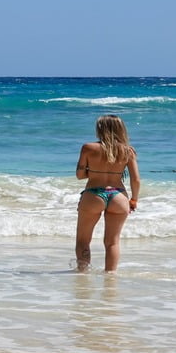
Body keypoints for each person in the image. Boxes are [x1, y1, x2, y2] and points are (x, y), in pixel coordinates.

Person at [74, 114, 140, 272]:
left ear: (100, 129)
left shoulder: (88, 148)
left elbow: (80, 175)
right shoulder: (128, 151)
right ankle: (110, 276)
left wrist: (96, 172)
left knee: (83, 240)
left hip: (93, 195)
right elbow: (136, 180)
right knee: (112, 242)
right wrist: (134, 200)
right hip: (118, 195)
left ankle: (83, 274)